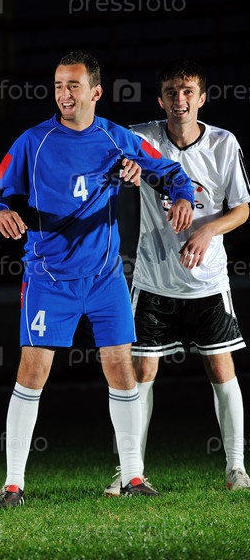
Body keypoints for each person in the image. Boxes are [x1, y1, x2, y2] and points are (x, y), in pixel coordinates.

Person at [0, 49, 195, 508]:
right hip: (48, 277)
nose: (64, 94)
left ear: (95, 92)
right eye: (59, 86)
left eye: (73, 86)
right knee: (32, 372)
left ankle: (133, 477)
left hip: (104, 277)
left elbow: (172, 172)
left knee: (121, 368)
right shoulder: (33, 142)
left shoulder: (117, 139)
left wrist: (181, 198)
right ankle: (12, 485)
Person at [104, 58, 250, 497]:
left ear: (202, 98)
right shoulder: (143, 139)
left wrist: (207, 231)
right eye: (171, 92)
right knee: (140, 370)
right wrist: (123, 171)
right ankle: (130, 472)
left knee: (220, 367)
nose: (179, 100)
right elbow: (104, 152)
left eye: (188, 92)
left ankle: (236, 468)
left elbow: (242, 209)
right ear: (160, 99)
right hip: (154, 279)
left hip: (208, 282)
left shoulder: (224, 143)